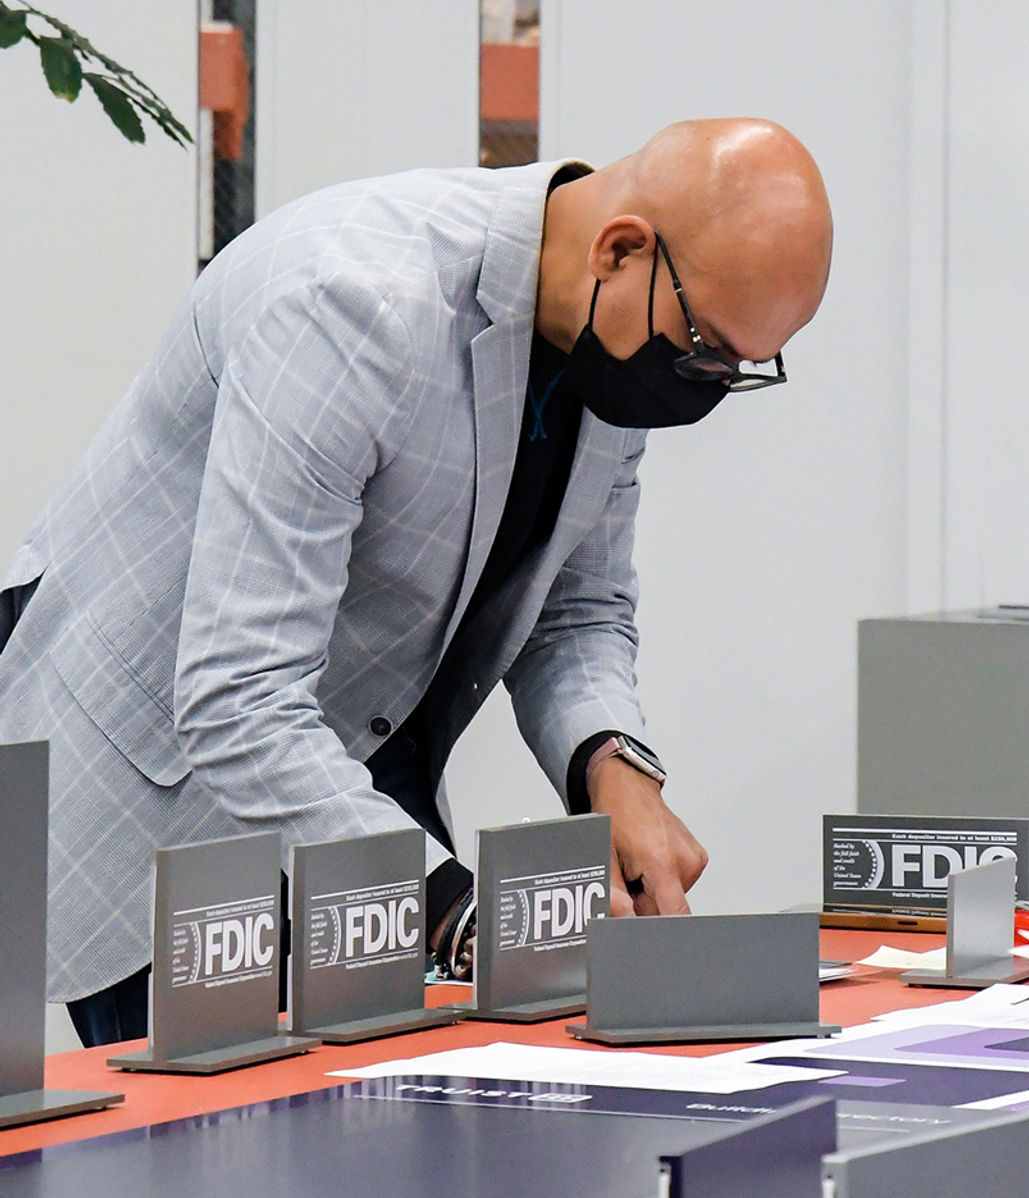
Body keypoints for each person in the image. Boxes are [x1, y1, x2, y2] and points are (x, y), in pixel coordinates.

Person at [0, 117, 833, 1046]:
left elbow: (577, 611)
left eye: (744, 367)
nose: (708, 386)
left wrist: (614, 766)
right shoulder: (349, 305)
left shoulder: (620, 338)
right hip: (166, 785)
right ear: (621, 247)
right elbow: (237, 694)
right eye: (707, 351)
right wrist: (453, 908)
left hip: (351, 771)